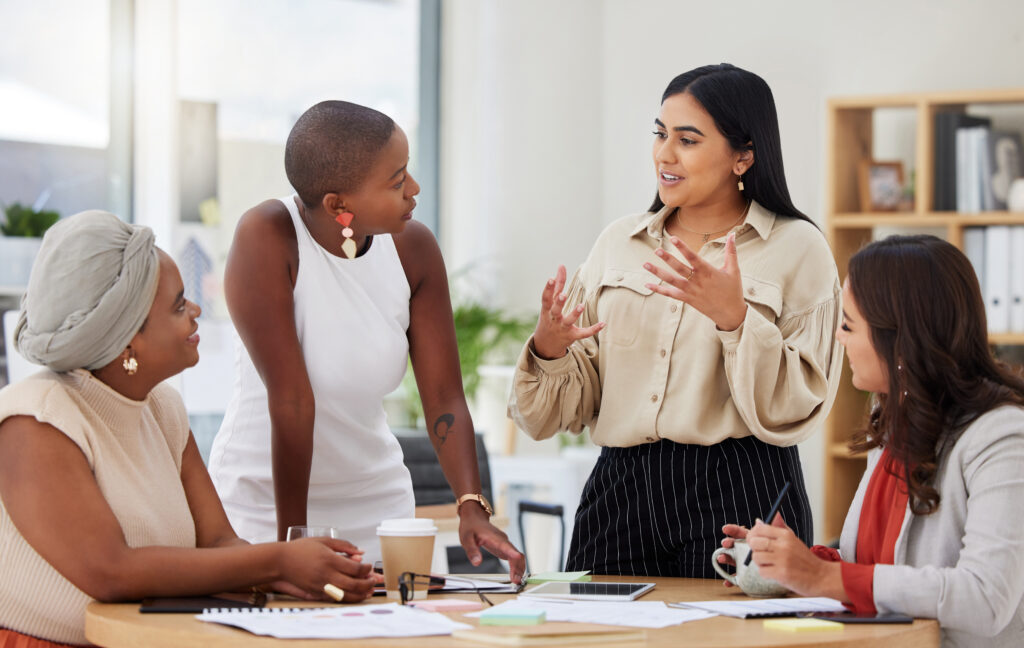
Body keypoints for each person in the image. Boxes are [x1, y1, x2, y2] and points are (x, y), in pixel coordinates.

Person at [508, 63, 843, 577]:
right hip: (620, 489)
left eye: (687, 140)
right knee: (599, 636)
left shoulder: (798, 248)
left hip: (741, 486)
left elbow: (798, 404)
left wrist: (736, 320)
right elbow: (559, 413)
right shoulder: (618, 242)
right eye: (661, 134)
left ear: (743, 155)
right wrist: (550, 350)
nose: (664, 154)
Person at [0, 211, 378, 648]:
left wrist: (302, 576)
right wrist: (279, 562)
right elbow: (110, 571)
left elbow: (217, 543)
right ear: (128, 341)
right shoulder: (36, 420)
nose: (196, 311)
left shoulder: (163, 409)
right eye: (179, 305)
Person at [206, 100, 524, 579]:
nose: (414, 189)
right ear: (339, 204)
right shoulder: (268, 236)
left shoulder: (413, 248)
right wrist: (292, 544)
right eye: (397, 181)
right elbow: (292, 401)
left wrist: (470, 506)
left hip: (380, 510)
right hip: (265, 507)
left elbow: (443, 396)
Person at [726, 235, 1024, 647]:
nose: (838, 338)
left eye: (848, 324)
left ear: (899, 338)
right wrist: (791, 564)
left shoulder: (1001, 437)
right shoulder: (896, 422)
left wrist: (824, 577)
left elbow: (986, 598)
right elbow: (878, 568)